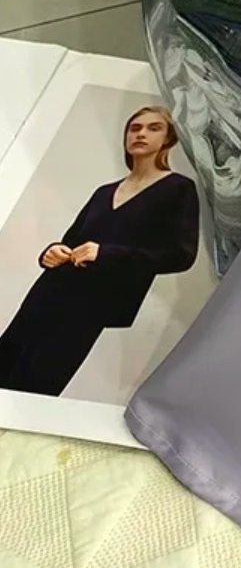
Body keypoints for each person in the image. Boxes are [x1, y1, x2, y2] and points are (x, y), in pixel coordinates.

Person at [0, 106, 200, 397]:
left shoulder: (178, 189)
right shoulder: (104, 191)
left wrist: (105, 253)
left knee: (37, 383)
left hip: (94, 304)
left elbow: (180, 255)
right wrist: (52, 252)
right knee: (6, 358)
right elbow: (71, 241)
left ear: (168, 139)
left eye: (153, 128)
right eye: (134, 128)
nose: (141, 133)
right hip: (50, 291)